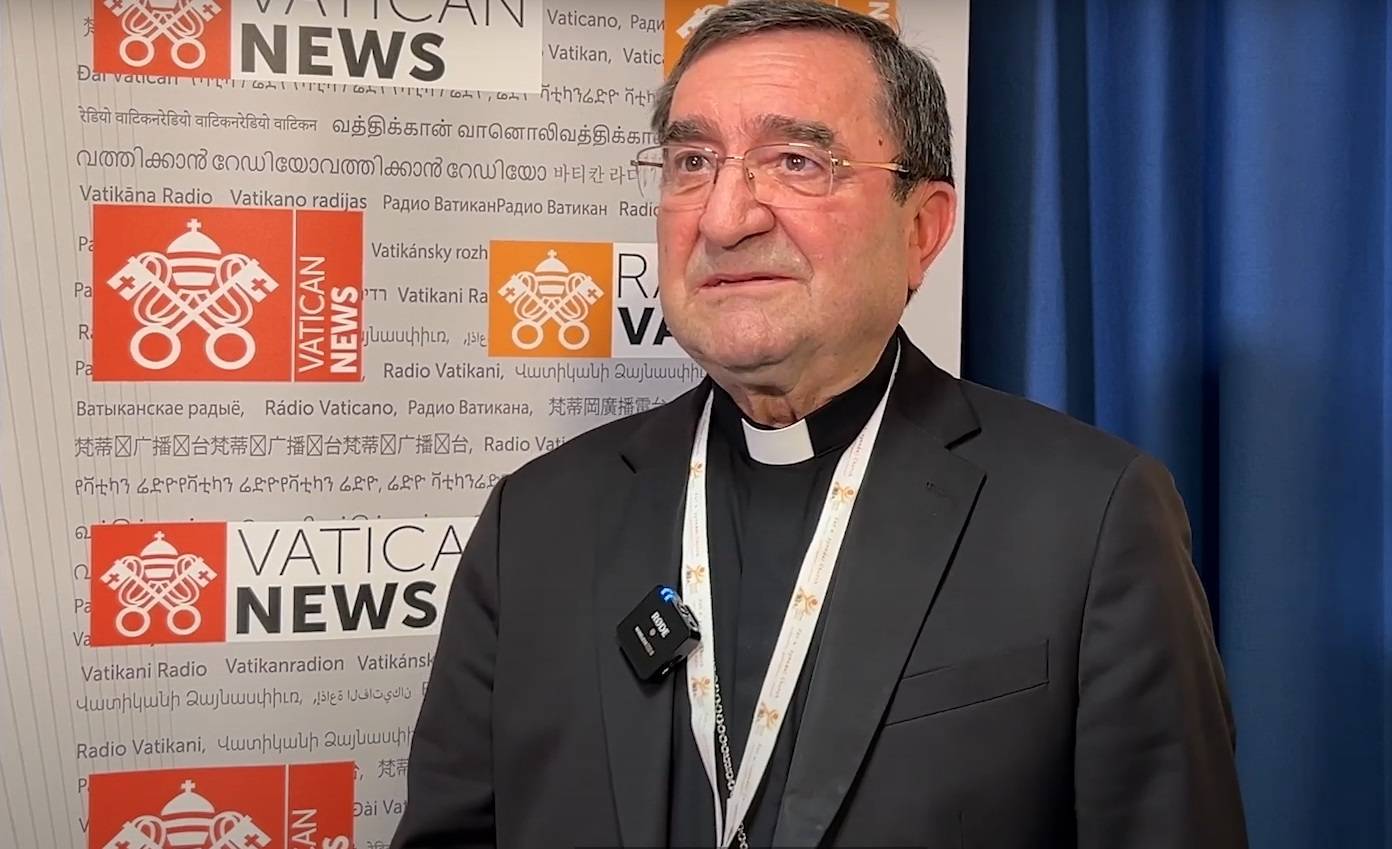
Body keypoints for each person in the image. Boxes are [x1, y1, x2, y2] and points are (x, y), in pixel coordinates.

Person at [390, 1, 1248, 847]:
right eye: (692, 160)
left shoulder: (1089, 520)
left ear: (923, 227)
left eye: (797, 160)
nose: (726, 218)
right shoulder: (534, 521)